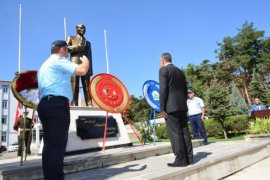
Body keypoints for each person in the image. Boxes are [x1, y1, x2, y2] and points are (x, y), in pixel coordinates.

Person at [37, 40, 89, 180]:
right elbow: (82, 71)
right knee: (57, 146)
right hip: (57, 105)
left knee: (49, 146)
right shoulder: (59, 60)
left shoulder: (45, 65)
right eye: (67, 50)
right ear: (62, 50)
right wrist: (85, 61)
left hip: (45, 105)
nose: (68, 53)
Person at [159, 52, 193, 167]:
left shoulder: (163, 70)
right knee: (184, 131)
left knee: (175, 133)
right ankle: (189, 158)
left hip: (170, 107)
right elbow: (185, 90)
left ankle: (180, 160)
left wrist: (162, 107)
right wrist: (183, 103)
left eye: (160, 62)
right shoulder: (180, 71)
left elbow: (163, 90)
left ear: (163, 61)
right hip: (182, 106)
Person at [66, 24, 93, 106]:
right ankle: (74, 104)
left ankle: (89, 103)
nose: (83, 29)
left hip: (85, 64)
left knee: (87, 85)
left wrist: (90, 69)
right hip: (74, 62)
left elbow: (89, 56)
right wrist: (77, 47)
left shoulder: (88, 43)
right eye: (81, 28)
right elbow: (66, 49)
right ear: (76, 29)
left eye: (84, 28)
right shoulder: (71, 38)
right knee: (74, 85)